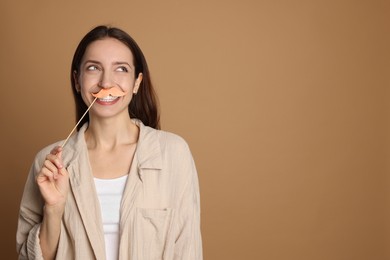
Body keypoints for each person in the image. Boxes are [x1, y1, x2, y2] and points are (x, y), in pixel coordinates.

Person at [16, 25, 202, 260]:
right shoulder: (49, 162)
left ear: (136, 82)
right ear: (77, 80)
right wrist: (53, 210)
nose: (106, 83)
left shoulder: (174, 154)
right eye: (93, 68)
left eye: (121, 69)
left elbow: (188, 250)